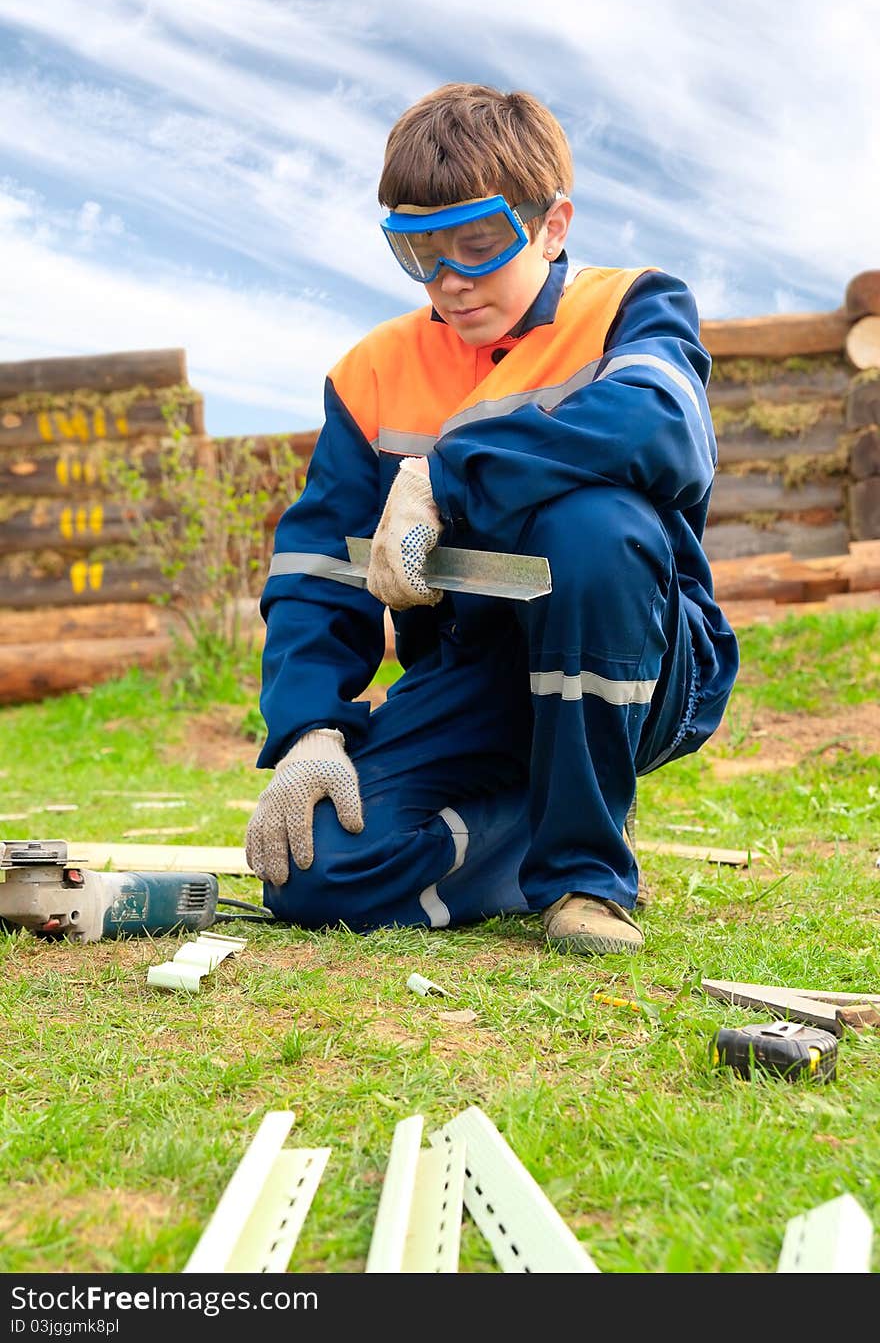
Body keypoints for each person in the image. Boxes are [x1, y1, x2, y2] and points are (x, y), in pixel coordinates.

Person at [245, 82, 739, 957]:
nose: (451, 284)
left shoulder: (633, 308)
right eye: (419, 257)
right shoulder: (374, 373)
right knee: (313, 872)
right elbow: (319, 563)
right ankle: (533, 830)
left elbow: (663, 429)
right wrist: (310, 727)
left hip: (645, 660)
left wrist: (445, 475)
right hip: (473, 674)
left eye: (479, 248)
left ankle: (587, 875)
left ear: (552, 225)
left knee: (595, 524)